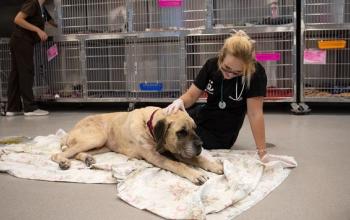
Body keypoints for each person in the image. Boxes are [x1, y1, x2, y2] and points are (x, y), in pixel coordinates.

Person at [164, 30, 268, 159]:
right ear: (221, 56)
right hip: (203, 114)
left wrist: (262, 151)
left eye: (237, 73)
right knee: (167, 122)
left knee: (179, 141)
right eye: (226, 68)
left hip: (222, 132)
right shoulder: (211, 65)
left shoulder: (256, 74)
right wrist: (179, 102)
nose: (229, 75)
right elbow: (191, 96)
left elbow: (255, 114)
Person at [6, 0, 56, 116]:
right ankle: (30, 108)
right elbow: (18, 19)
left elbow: (50, 21)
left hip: (20, 41)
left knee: (16, 74)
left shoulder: (41, 8)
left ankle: (12, 108)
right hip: (21, 40)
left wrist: (60, 27)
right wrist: (38, 30)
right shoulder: (33, 3)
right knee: (26, 72)